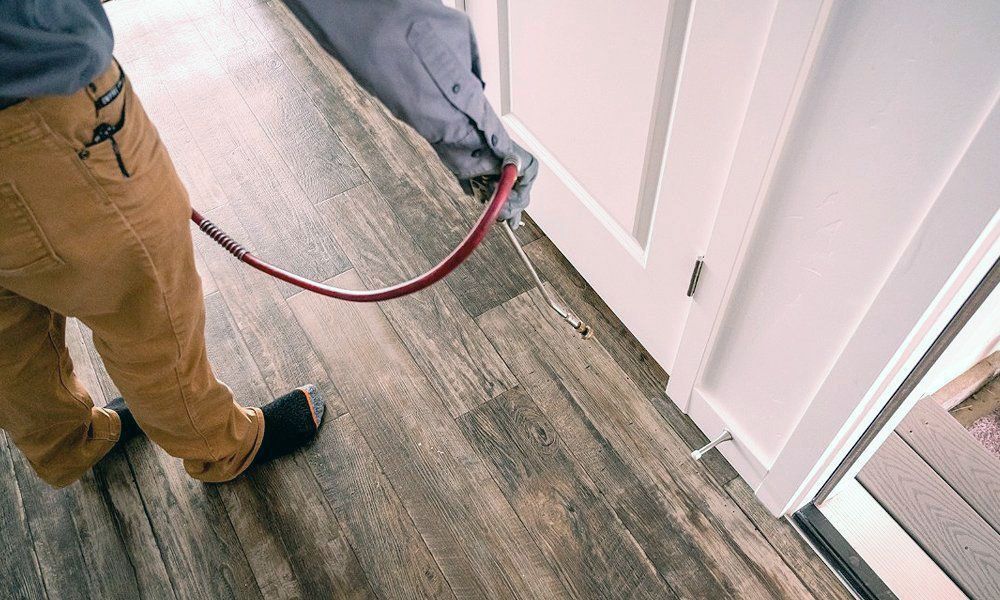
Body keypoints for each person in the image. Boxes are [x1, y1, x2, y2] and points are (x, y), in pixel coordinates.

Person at [0, 0, 537, 488]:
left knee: (7, 325)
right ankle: (222, 450)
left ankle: (69, 445)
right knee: (148, 312)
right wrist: (485, 147)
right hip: (42, 118)